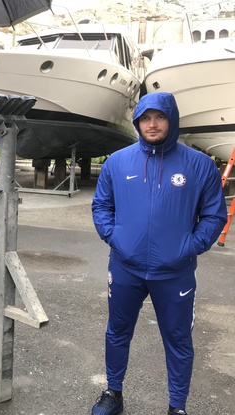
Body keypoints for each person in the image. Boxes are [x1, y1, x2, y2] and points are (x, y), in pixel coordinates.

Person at [90, 91, 227, 415]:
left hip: (175, 272)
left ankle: (176, 406)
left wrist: (189, 247)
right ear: (137, 121)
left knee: (178, 341)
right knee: (117, 331)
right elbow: (101, 205)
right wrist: (115, 237)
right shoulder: (118, 162)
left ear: (172, 119)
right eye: (145, 118)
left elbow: (214, 214)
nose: (152, 124)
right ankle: (113, 392)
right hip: (125, 268)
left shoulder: (199, 165)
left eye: (160, 117)